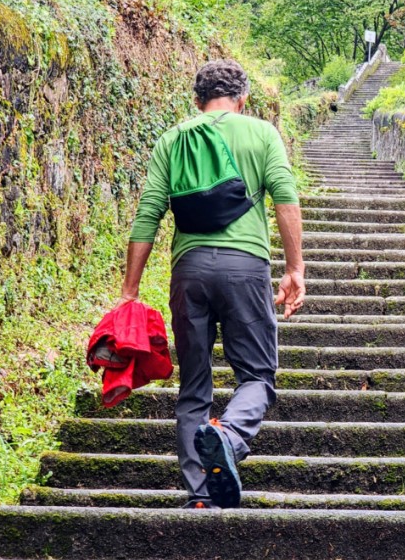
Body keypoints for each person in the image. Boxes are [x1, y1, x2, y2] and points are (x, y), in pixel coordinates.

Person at [116, 59, 305, 510]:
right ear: (244, 99)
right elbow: (284, 196)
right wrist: (295, 268)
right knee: (257, 374)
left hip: (189, 272)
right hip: (245, 269)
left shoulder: (173, 138)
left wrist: (130, 291)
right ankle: (227, 434)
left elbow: (148, 216)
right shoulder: (261, 133)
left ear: (197, 102)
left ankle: (201, 496)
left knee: (194, 386)